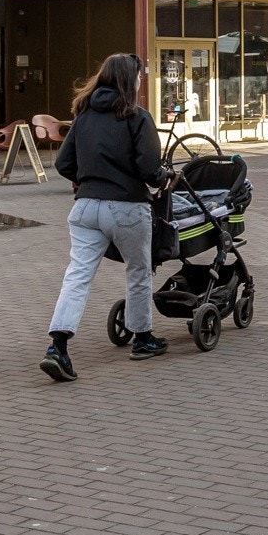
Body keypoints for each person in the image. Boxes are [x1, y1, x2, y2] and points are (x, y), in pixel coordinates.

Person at [41, 53, 170, 383]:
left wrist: (86, 180)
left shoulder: (83, 116)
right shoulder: (136, 117)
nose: (142, 81)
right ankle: (142, 339)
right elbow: (148, 168)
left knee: (78, 275)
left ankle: (58, 346)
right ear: (130, 80)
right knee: (139, 269)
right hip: (126, 206)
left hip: (85, 208)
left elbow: (63, 164)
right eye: (139, 76)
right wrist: (162, 176)